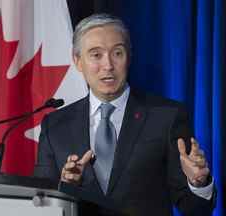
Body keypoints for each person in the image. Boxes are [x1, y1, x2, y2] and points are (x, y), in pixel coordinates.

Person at [34, 13, 215, 215]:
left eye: (117, 53)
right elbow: (41, 204)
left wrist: (198, 182)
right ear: (77, 61)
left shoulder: (167, 117)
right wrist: (66, 187)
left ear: (129, 57)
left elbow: (196, 209)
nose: (108, 65)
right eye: (96, 55)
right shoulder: (55, 125)